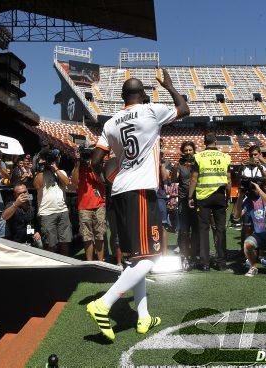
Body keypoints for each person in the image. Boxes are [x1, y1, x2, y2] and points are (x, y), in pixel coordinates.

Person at [87, 69, 189, 341]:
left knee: (136, 258)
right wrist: (168, 86)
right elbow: (184, 109)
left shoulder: (110, 123)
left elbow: (95, 162)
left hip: (120, 191)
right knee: (152, 256)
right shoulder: (150, 111)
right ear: (143, 94)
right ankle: (104, 303)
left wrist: (107, 180)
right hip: (141, 191)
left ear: (122, 97)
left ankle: (143, 317)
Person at [188, 133, 231, 271]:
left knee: (204, 230)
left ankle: (205, 263)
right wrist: (228, 196)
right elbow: (229, 180)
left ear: (204, 142)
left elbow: (194, 179)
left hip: (203, 197)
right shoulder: (225, 157)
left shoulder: (199, 156)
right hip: (219, 195)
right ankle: (221, 262)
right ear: (216, 142)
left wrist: (190, 197)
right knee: (220, 230)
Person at [233, 173, 266, 278]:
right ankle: (253, 266)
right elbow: (236, 215)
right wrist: (241, 195)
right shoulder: (252, 200)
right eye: (264, 181)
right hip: (260, 236)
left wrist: (259, 191)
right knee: (248, 243)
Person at [33, 147, 72, 256]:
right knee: (51, 244)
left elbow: (66, 182)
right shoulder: (41, 174)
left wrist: (55, 169)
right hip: (47, 213)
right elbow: (37, 185)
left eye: (56, 158)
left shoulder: (61, 171)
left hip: (62, 211)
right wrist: (42, 167)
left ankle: (66, 266)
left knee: (65, 242)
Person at [71, 146, 106, 261]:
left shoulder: (96, 166)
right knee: (87, 237)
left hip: (99, 204)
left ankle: (101, 261)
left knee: (99, 235)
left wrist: (92, 165)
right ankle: (89, 262)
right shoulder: (78, 167)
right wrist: (77, 164)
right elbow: (74, 183)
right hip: (84, 205)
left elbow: (101, 181)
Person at [171, 141, 199, 271]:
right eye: (186, 150)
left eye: (190, 150)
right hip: (183, 199)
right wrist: (175, 168)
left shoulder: (198, 161)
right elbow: (173, 180)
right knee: (184, 230)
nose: (188, 152)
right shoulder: (180, 164)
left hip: (198, 199)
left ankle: (195, 255)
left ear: (194, 151)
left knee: (196, 229)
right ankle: (185, 256)